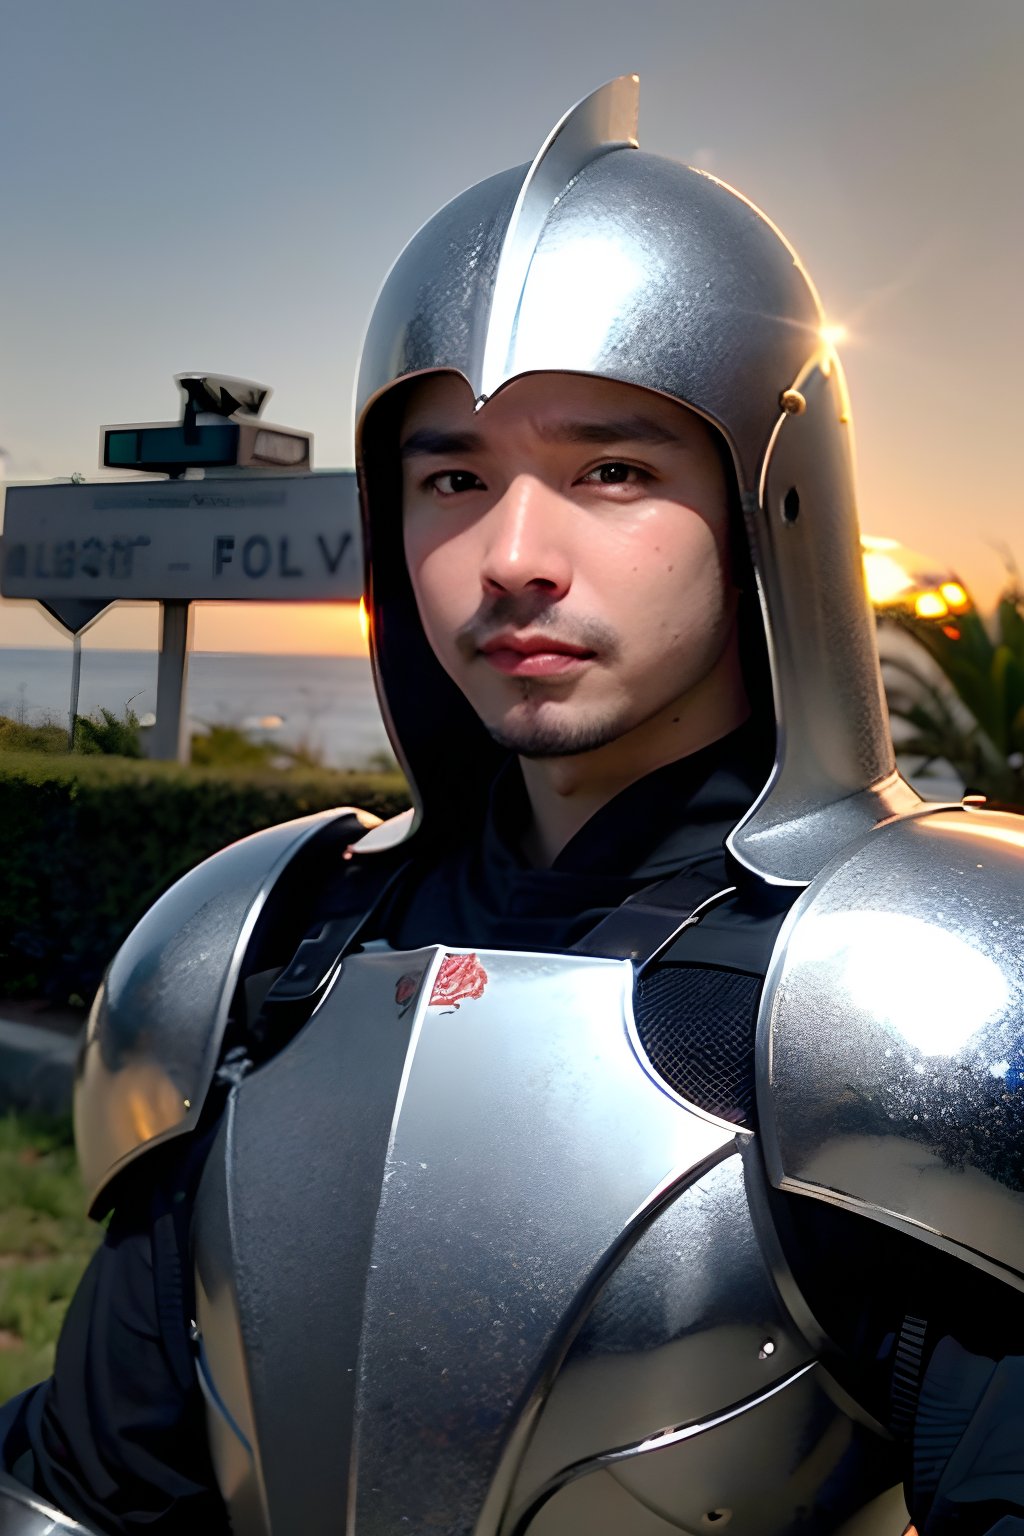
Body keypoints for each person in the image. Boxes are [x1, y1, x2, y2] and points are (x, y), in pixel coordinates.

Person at [2, 73, 1024, 1536]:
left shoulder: (927, 996)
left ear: (765, 504)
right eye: (454, 477)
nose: (513, 555)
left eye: (613, 468)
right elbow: (90, 1492)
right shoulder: (263, 953)